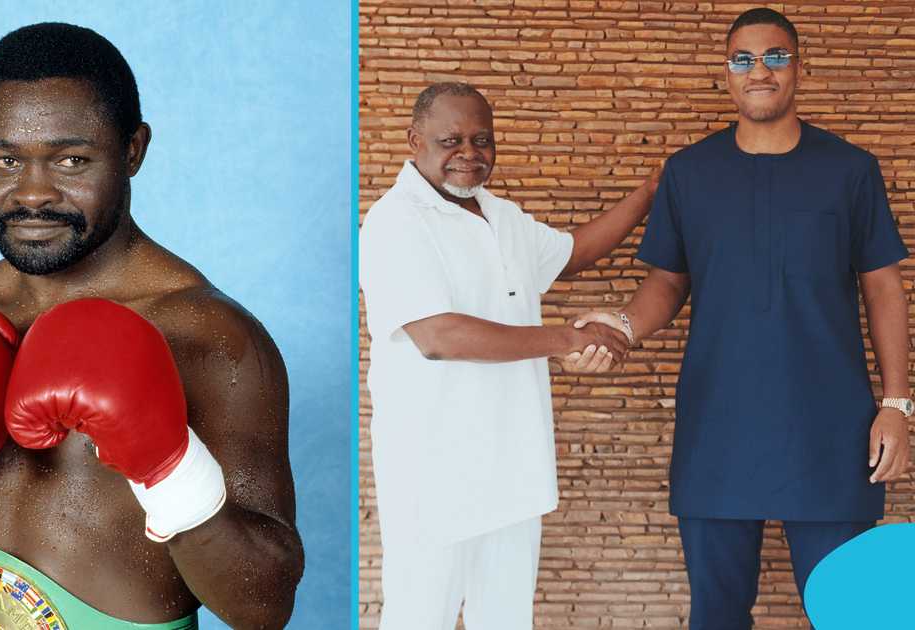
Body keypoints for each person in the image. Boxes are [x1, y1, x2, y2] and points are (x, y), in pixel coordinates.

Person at [0, 23, 303, 630]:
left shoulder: (208, 334)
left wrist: (171, 471)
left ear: (132, 150)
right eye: (4, 160)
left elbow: (265, 607)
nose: (33, 194)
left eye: (71, 160)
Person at [574, 8, 911, 628]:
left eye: (776, 56)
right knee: (717, 616)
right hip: (718, 432)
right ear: (727, 72)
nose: (760, 71)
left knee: (855, 613)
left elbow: (883, 287)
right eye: (744, 59)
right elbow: (667, 283)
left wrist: (897, 405)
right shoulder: (689, 173)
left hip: (832, 430)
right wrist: (621, 326)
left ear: (799, 68)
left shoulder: (851, 170)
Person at [358, 82, 656, 629]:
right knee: (419, 618)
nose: (469, 153)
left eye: (482, 140)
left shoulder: (502, 215)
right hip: (434, 474)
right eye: (450, 140)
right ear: (414, 140)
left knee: (506, 619)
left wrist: (651, 192)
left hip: (514, 467)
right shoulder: (395, 221)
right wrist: (566, 339)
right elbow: (438, 336)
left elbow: (575, 252)